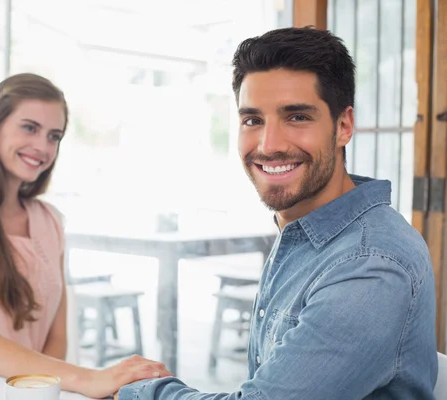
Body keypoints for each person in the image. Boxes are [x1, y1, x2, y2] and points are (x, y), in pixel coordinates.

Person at [115, 27, 438, 400]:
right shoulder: (309, 230)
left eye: (297, 117)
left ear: (343, 126)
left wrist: (136, 390)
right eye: (253, 120)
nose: (269, 145)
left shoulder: (370, 264)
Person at [0, 73, 171, 399]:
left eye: (54, 136)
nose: (43, 146)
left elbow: (56, 338)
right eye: (30, 128)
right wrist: (92, 379)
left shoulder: (50, 222)